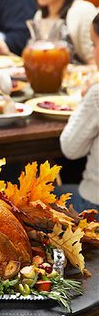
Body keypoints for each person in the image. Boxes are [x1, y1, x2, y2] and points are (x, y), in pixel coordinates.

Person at [57, 13, 99, 213]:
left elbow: (70, 149)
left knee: (30, 200)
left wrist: (86, 98)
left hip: (93, 207)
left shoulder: (97, 94)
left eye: (94, 44)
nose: (93, 51)